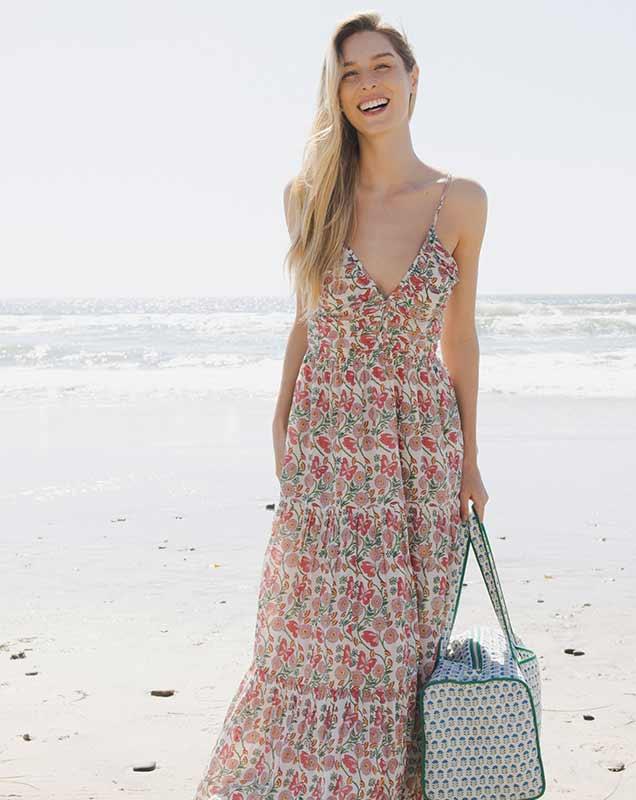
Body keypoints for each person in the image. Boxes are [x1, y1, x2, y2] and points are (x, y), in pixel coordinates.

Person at [194, 10, 488, 799]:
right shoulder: (308, 198)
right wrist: (281, 426)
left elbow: (457, 340)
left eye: (381, 66)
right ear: (338, 93)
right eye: (349, 73)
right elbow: (305, 321)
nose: (367, 85)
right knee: (312, 641)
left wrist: (471, 460)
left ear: (412, 79)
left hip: (422, 448)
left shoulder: (461, 201)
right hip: (329, 441)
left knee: (404, 650)